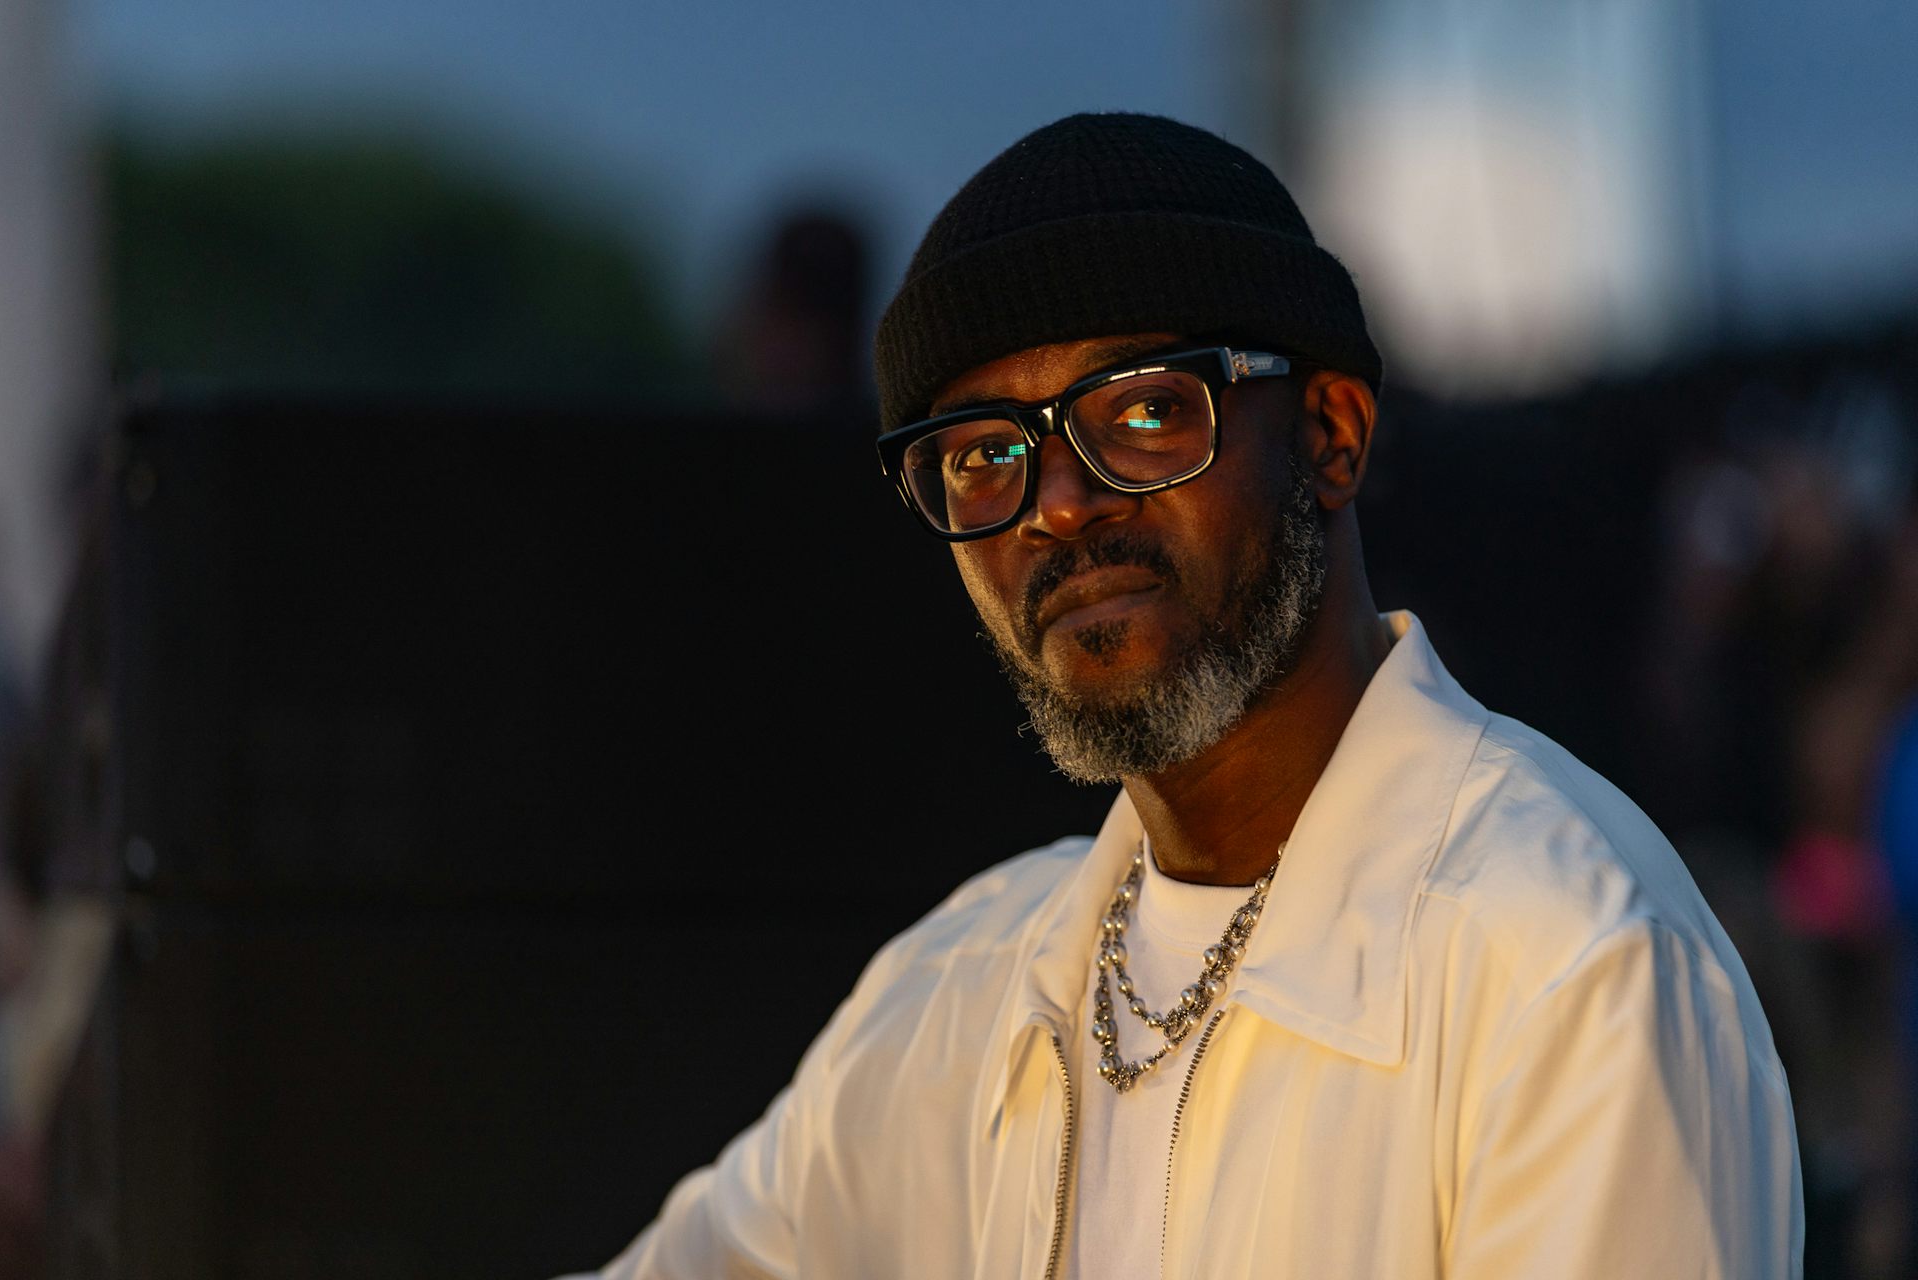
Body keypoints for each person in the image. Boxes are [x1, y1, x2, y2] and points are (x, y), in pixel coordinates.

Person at [578, 112, 1803, 1279]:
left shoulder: (1565, 965)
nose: (1059, 502)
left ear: (1329, 432)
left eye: (1146, 412)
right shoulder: (959, 993)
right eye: (983, 455)